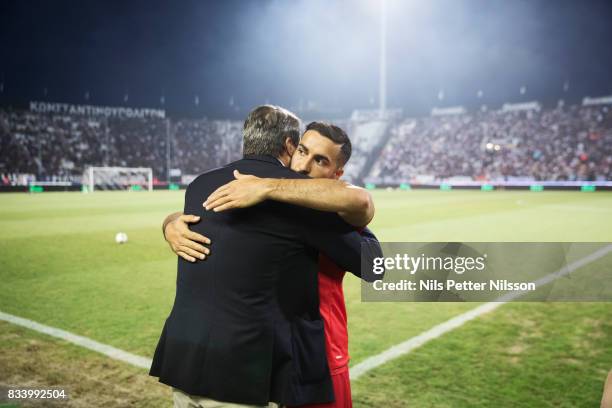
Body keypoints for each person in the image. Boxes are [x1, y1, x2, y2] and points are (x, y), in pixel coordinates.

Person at [150, 105, 382, 408]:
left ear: (337, 175)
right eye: (302, 151)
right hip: (269, 366)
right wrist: (170, 223)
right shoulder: (285, 202)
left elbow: (373, 253)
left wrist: (270, 186)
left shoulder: (204, 185)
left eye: (320, 160)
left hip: (314, 354)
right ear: (290, 147)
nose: (303, 165)